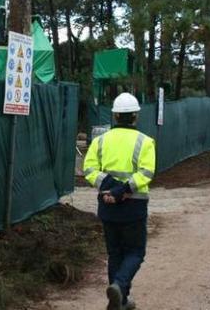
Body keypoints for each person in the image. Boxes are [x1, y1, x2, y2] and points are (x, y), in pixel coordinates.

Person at [83, 92, 156, 310]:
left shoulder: (100, 141)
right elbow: (147, 172)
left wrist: (110, 189)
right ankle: (119, 285)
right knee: (135, 252)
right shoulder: (145, 142)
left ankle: (120, 301)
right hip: (133, 206)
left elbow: (88, 169)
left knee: (115, 253)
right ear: (135, 116)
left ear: (114, 116)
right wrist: (123, 190)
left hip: (107, 205)